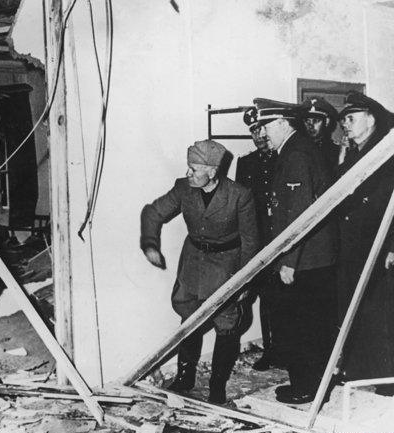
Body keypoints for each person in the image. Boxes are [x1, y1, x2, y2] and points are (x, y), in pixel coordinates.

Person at [140, 139, 258, 404]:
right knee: (189, 319)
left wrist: (244, 283)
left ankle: (217, 387)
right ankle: (184, 378)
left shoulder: (240, 195)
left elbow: (251, 242)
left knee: (226, 326)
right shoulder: (183, 188)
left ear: (213, 171)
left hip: (227, 265)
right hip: (193, 262)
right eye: (188, 168)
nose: (188, 174)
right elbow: (153, 212)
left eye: (194, 169)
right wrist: (150, 244)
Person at [255, 98, 337, 404]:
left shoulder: (297, 154)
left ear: (280, 123)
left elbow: (300, 215)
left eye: (265, 127)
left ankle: (307, 388)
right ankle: (311, 385)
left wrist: (289, 262)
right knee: (308, 324)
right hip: (310, 257)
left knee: (302, 326)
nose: (263, 134)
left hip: (305, 260)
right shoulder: (295, 150)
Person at [336, 91, 394, 394]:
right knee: (354, 307)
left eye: (351, 118)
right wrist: (343, 157)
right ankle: (359, 370)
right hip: (354, 244)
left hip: (381, 246)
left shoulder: (387, 152)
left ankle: (386, 378)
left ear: (370, 120)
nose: (345, 124)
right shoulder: (357, 152)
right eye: (344, 119)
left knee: (381, 311)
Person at [235, 106, 280, 371]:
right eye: (254, 131)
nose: (259, 136)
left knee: (287, 297)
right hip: (258, 240)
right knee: (264, 296)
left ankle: (289, 349)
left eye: (262, 129)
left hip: (282, 238)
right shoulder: (246, 163)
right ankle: (272, 350)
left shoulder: (283, 158)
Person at [300, 97, 339, 172]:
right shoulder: (296, 149)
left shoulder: (335, 151)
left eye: (316, 120)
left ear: (327, 122)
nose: (311, 125)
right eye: (307, 121)